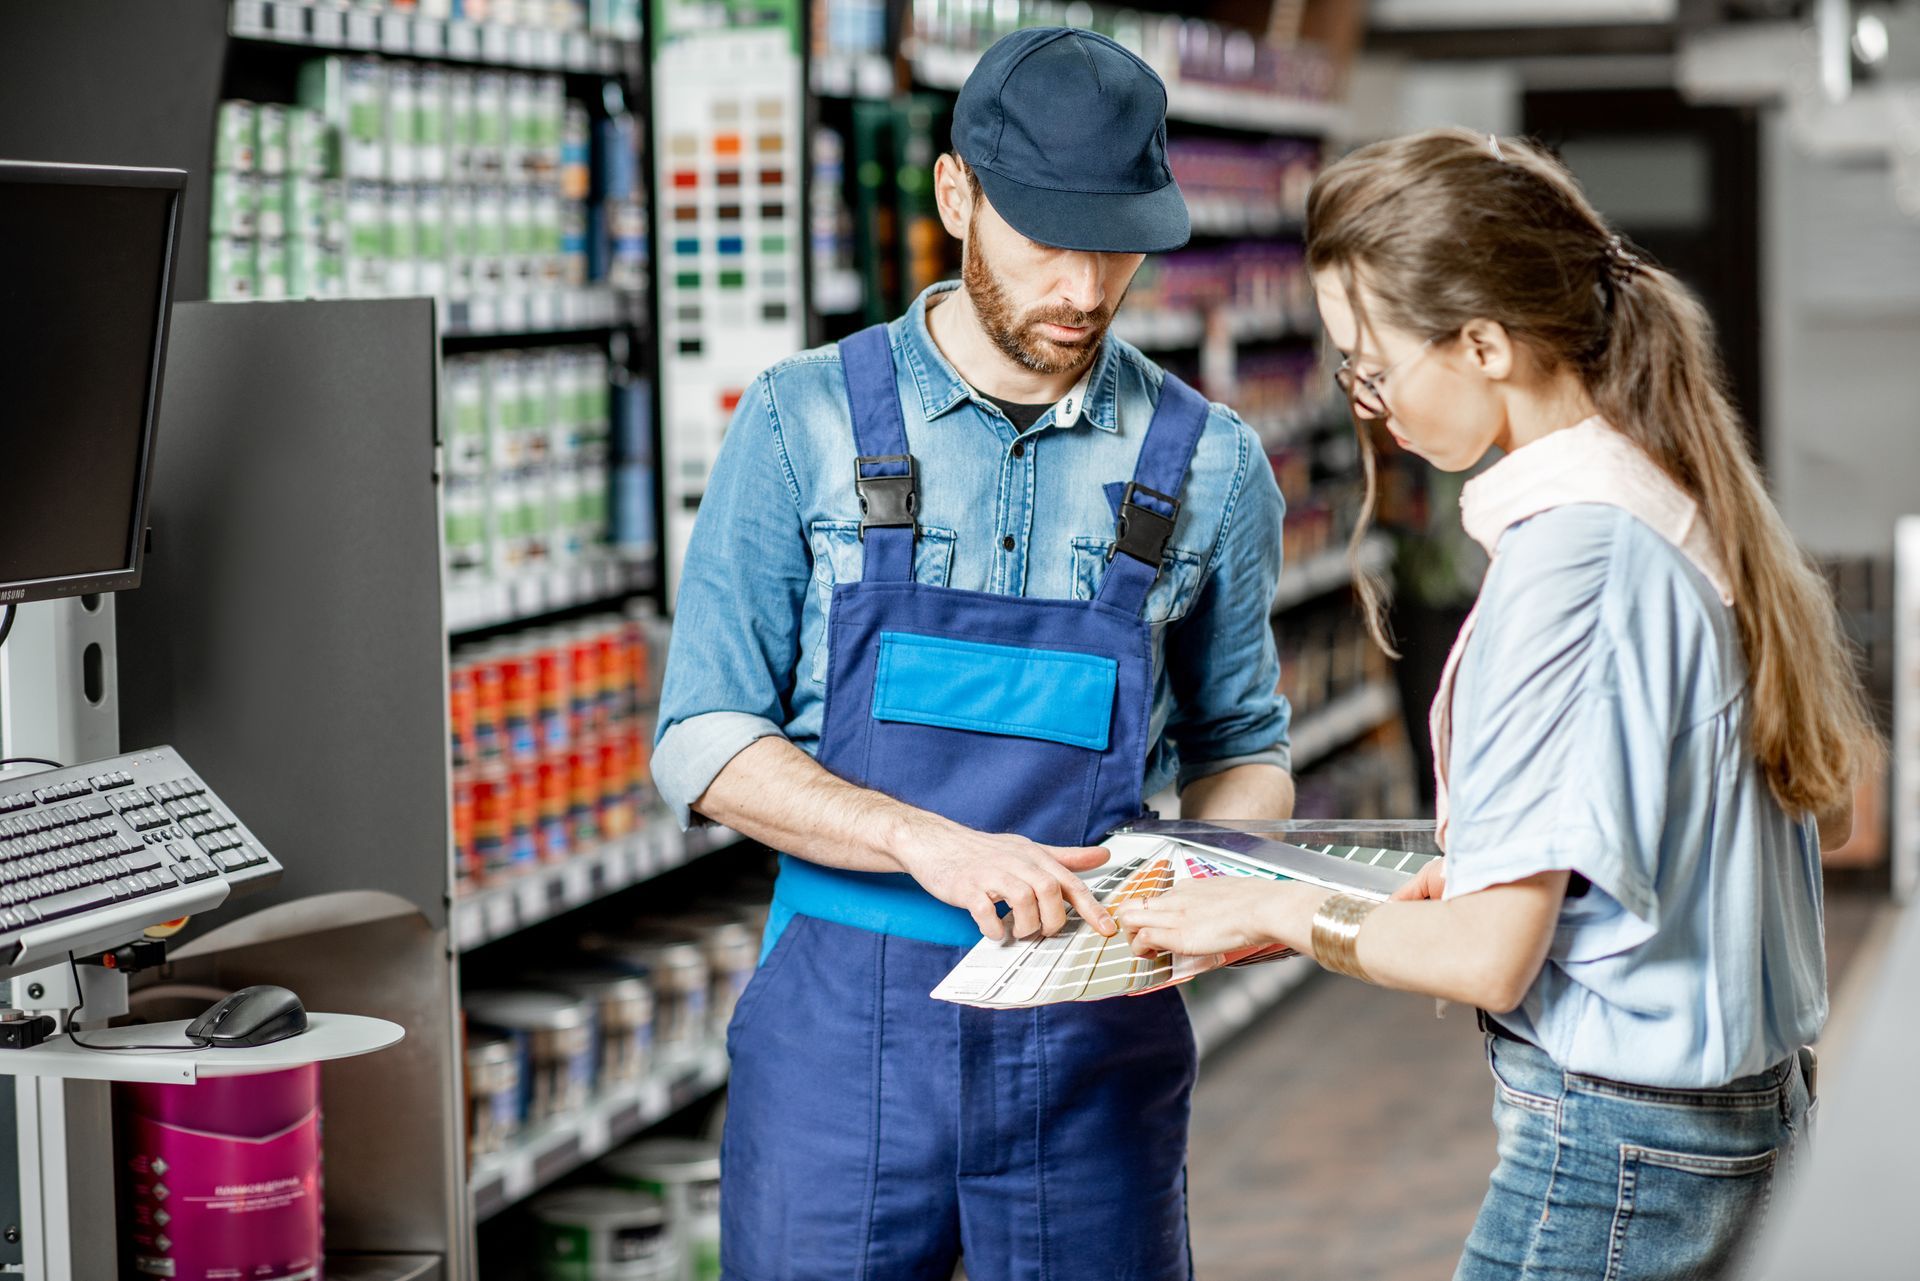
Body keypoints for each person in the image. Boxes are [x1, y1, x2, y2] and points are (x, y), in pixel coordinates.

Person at [1115, 128, 1876, 1281]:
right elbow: (1782, 823)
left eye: (1372, 364)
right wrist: (1494, 867)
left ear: (1481, 342)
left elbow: (1486, 960)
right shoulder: (1669, 497)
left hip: (1622, 1156)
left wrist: (1267, 915)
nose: (1368, 406)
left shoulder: (1572, 568)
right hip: (1736, 1128)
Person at [651, 27, 1295, 1280]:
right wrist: (927, 844)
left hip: (1091, 1039)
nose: (1085, 284)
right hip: (843, 1040)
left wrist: (1214, 870)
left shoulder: (1211, 466)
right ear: (957, 195)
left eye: (1118, 244)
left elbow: (1244, 747)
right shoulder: (805, 421)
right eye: (1047, 234)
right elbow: (704, 738)